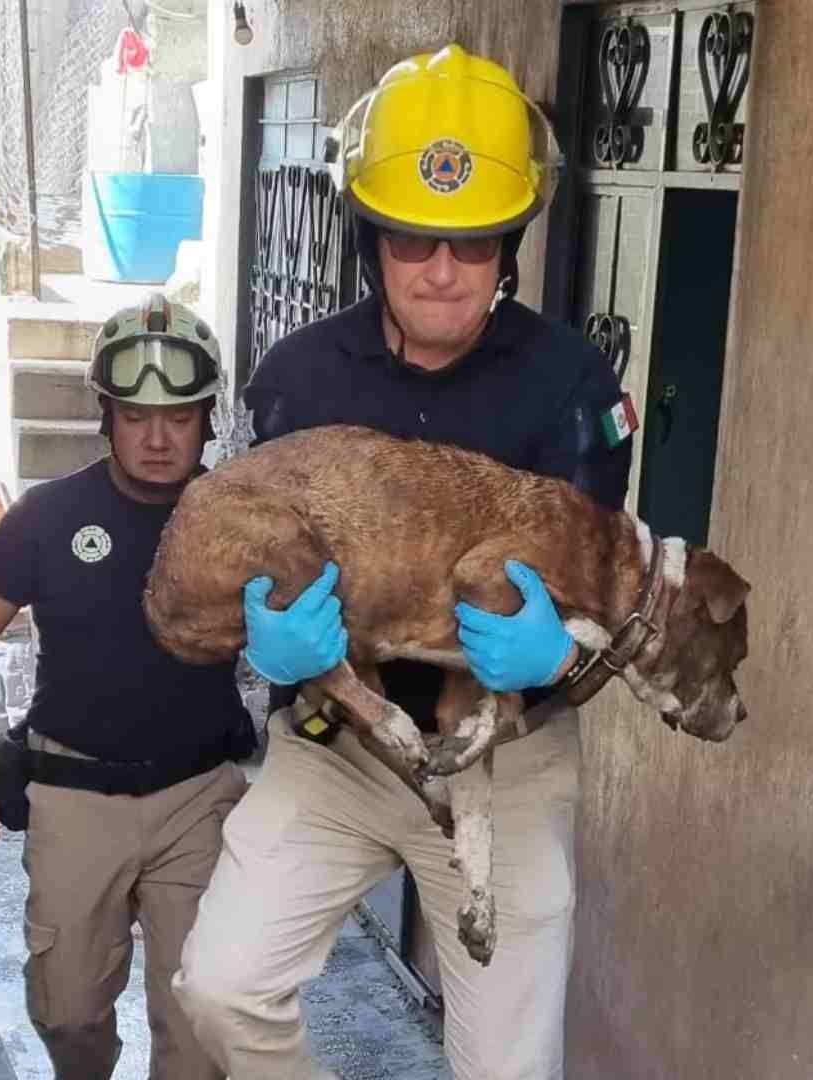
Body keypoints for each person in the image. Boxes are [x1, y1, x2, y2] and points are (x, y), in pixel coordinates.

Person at [171, 45, 634, 1080]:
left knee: (510, 1068)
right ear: (370, 236)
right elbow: (257, 557)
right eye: (414, 239)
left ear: (510, 245)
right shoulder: (297, 378)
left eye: (472, 247)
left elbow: (606, 596)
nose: (439, 269)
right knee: (222, 988)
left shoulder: (571, 386)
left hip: (506, 762)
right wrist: (267, 641)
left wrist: (557, 658)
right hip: (339, 747)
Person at [0, 293, 253, 1080]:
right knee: (68, 1012)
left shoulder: (241, 517)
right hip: (73, 794)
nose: (156, 435)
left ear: (206, 418)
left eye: (177, 416)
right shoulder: (48, 516)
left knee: (196, 1026)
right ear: (105, 415)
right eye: (135, 414)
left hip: (197, 797)